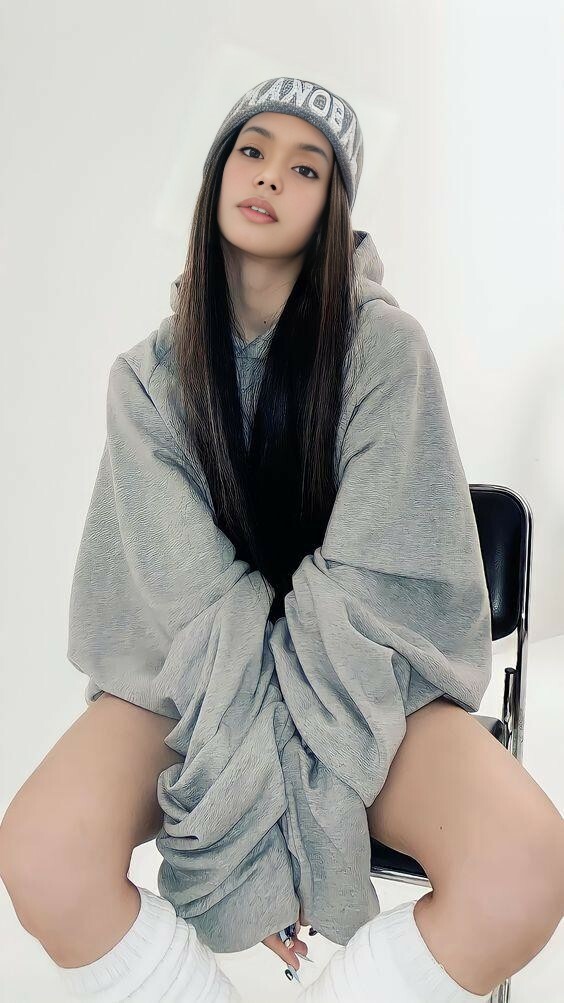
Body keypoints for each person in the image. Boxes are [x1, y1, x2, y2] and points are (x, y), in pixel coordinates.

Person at [2, 75, 563, 1003]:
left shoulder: (386, 351)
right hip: (194, 686)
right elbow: (189, 602)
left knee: (527, 865)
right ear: (218, 172)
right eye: (252, 150)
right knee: (41, 853)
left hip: (367, 682)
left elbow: (371, 591)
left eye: (306, 168)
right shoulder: (148, 378)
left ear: (333, 204)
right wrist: (251, 809)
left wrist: (292, 808)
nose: (269, 176)